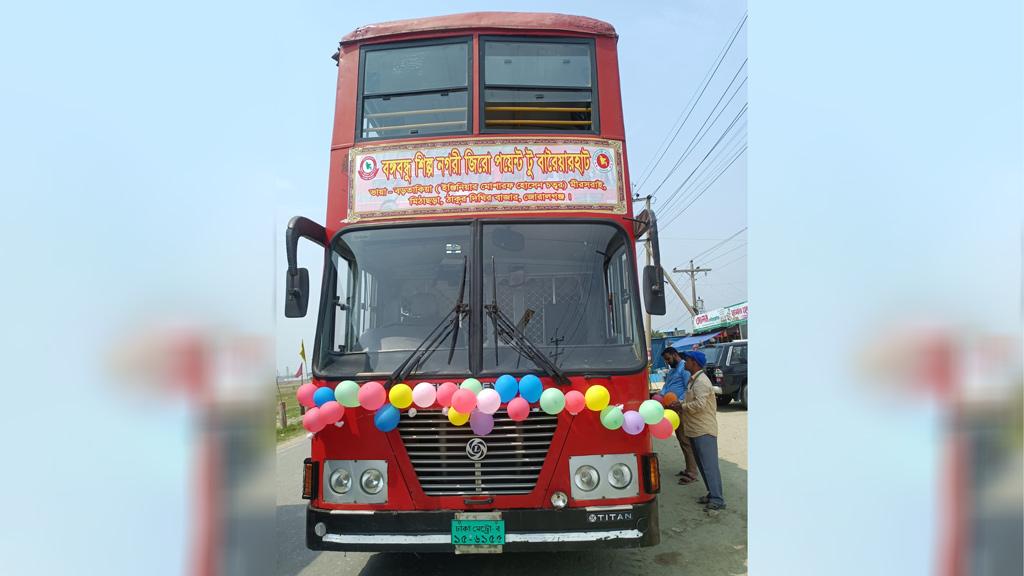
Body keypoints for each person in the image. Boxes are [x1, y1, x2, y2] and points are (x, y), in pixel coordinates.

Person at [679, 349, 725, 512]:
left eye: (687, 360)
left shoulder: (701, 382)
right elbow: (693, 400)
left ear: (695, 363)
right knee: (704, 465)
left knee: (709, 466)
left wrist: (681, 406)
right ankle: (712, 494)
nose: (685, 362)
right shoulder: (694, 380)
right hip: (695, 429)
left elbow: (699, 405)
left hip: (703, 430)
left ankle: (718, 499)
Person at [659, 347, 698, 485]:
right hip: (671, 410)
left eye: (669, 359)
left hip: (680, 409)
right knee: (681, 440)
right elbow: (666, 387)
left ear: (675, 355)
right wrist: (659, 396)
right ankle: (688, 468)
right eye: (666, 360)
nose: (668, 362)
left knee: (686, 441)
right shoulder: (671, 371)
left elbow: (688, 389)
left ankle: (692, 473)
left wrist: (679, 402)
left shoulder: (684, 369)